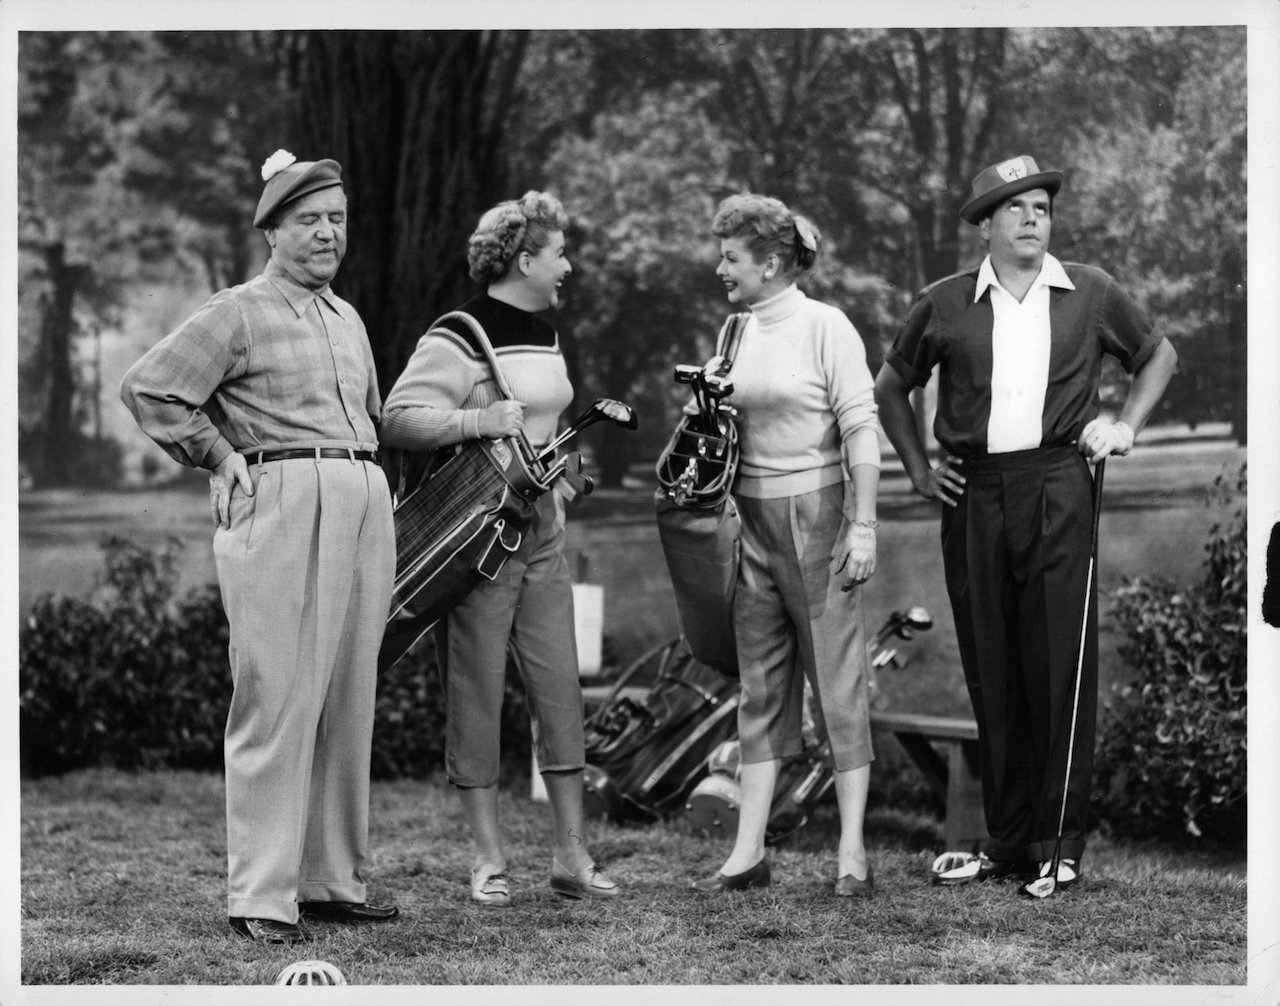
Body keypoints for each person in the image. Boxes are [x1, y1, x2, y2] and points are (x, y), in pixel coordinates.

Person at [874, 155, 1177, 891]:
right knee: (993, 660)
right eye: (1015, 208)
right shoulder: (945, 302)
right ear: (984, 226)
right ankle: (1008, 841)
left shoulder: (1091, 292)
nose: (1033, 218)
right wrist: (918, 470)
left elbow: (1157, 353)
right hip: (975, 493)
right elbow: (891, 386)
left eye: (1042, 206)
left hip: (1058, 484)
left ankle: (1060, 844)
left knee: (1059, 663)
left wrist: (1126, 424)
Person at [120, 150, 399, 944]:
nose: (326, 234)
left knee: (347, 697)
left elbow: (370, 419)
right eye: (308, 220)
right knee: (275, 694)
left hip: (359, 496)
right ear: (272, 229)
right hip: (281, 500)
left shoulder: (348, 317)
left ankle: (330, 880)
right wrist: (216, 453)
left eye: (336, 220)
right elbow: (152, 385)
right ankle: (261, 896)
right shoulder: (238, 310)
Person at [379, 191, 619, 905]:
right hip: (480, 539)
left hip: (543, 529)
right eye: (559, 253)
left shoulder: (544, 335)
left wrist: (568, 471)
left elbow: (542, 422)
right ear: (523, 259)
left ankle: (572, 858)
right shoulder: (458, 335)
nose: (568, 265)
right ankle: (487, 861)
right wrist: (480, 418)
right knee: (476, 690)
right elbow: (397, 418)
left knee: (560, 690)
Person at [689, 193, 882, 898]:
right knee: (760, 689)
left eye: (731, 257)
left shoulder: (825, 326)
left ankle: (853, 854)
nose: (720, 269)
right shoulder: (733, 332)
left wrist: (862, 525)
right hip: (751, 520)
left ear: (770, 263)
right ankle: (747, 854)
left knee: (837, 685)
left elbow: (862, 427)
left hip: (820, 516)